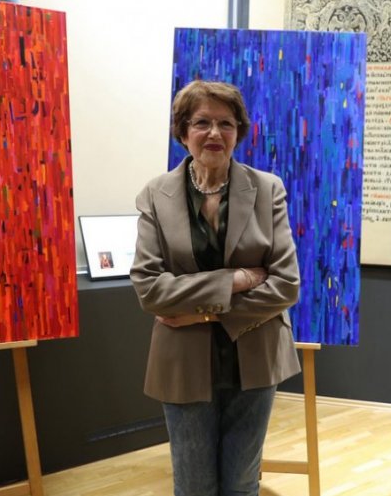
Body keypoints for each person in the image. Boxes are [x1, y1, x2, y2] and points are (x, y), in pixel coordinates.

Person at [130, 80, 301, 496]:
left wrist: (202, 313)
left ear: (239, 131)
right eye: (202, 122)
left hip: (255, 355)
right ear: (183, 131)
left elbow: (286, 285)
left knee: (242, 483)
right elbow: (150, 289)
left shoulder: (267, 189)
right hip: (182, 361)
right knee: (193, 486)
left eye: (226, 123)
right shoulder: (156, 194)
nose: (214, 133)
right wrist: (236, 280)